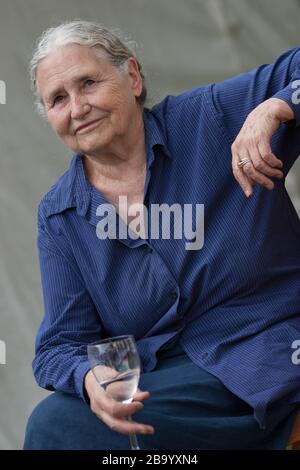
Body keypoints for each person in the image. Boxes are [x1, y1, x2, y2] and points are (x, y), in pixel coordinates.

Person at [24, 20, 300, 450]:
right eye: (58, 99)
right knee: (55, 424)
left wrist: (276, 107)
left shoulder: (211, 117)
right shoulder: (60, 215)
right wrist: (87, 376)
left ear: (132, 77)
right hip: (174, 390)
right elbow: (61, 344)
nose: (77, 108)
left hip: (273, 345)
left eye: (88, 83)